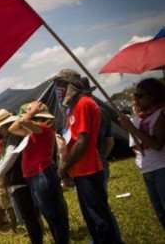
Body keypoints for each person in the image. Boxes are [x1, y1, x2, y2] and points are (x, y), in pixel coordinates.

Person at [54, 68, 122, 243]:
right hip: (80, 171)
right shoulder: (72, 109)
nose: (58, 88)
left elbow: (82, 141)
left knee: (99, 219)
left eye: (61, 84)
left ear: (71, 85)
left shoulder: (84, 103)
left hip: (89, 170)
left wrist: (63, 167)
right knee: (91, 219)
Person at [9, 101, 69, 244]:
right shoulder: (33, 132)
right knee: (51, 214)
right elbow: (12, 128)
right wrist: (29, 114)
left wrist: (30, 113)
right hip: (35, 176)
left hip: (42, 174)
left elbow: (23, 121)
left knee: (52, 215)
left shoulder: (43, 129)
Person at [0, 109, 43, 244]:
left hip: (20, 178)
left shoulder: (15, 137)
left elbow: (9, 159)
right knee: (29, 215)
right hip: (16, 178)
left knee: (30, 216)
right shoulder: (9, 138)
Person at [119, 77, 165, 230]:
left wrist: (132, 129)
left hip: (161, 168)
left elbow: (157, 144)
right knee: (160, 214)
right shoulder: (141, 116)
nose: (135, 99)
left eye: (140, 95)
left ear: (153, 96)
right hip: (147, 170)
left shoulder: (160, 114)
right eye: (135, 95)